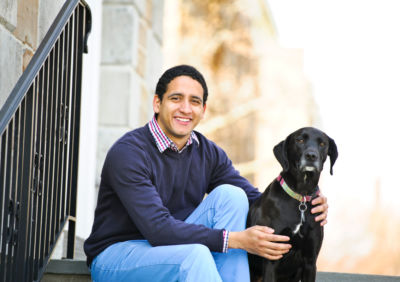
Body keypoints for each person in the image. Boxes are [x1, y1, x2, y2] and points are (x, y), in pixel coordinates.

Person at [84, 65, 328, 282]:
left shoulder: (207, 152)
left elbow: (257, 203)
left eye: (195, 101)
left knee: (232, 196)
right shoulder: (129, 152)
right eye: (176, 98)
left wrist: (303, 202)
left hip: (172, 248)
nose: (185, 108)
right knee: (195, 254)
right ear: (157, 103)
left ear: (203, 109)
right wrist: (235, 240)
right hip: (117, 258)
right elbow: (157, 229)